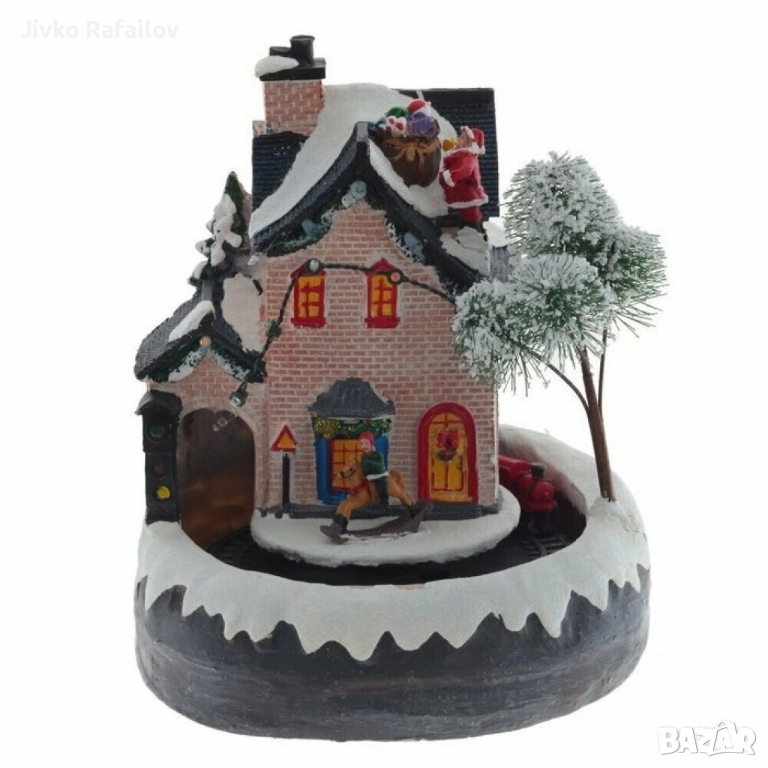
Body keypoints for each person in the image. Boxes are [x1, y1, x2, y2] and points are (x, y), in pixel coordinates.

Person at [440, 126, 488, 230]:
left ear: (471, 143)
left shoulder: (467, 157)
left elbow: (465, 170)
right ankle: (471, 227)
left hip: (467, 193)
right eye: (460, 136)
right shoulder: (462, 155)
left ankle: (472, 230)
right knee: (467, 213)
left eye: (462, 138)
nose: (458, 139)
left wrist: (449, 176)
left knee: (469, 215)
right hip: (465, 192)